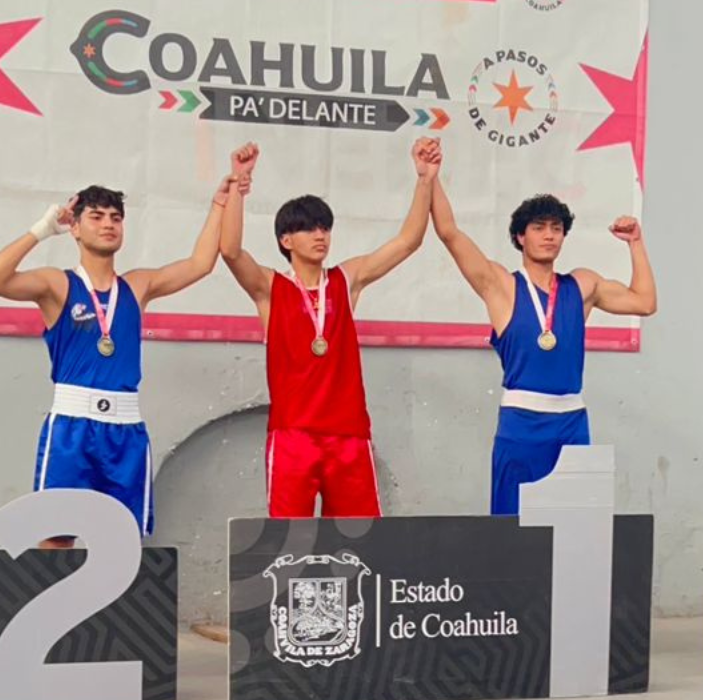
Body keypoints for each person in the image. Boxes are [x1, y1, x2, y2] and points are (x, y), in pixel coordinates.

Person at [0, 162, 247, 546]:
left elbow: (200, 264)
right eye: (97, 216)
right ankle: (55, 591)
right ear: (74, 227)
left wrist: (219, 203)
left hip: (125, 428)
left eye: (116, 218)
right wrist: (41, 230)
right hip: (72, 427)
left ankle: (119, 590)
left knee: (122, 538)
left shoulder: (137, 286)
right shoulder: (58, 284)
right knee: (55, 536)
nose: (108, 224)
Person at [218, 138, 443, 517]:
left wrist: (425, 180)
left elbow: (408, 242)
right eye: (309, 229)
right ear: (286, 240)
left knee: (359, 540)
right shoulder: (270, 289)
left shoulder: (346, 279)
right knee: (291, 540)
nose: (320, 235)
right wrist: (238, 186)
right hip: (293, 437)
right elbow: (230, 251)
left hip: (349, 436)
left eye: (324, 227)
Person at [430, 160, 657, 515]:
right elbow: (449, 232)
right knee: (513, 529)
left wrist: (636, 243)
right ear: (521, 237)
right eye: (538, 228)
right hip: (521, 424)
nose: (549, 235)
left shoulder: (582, 285)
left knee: (576, 527)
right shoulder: (502, 286)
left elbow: (644, 303)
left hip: (572, 424)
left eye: (556, 228)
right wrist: (429, 176)